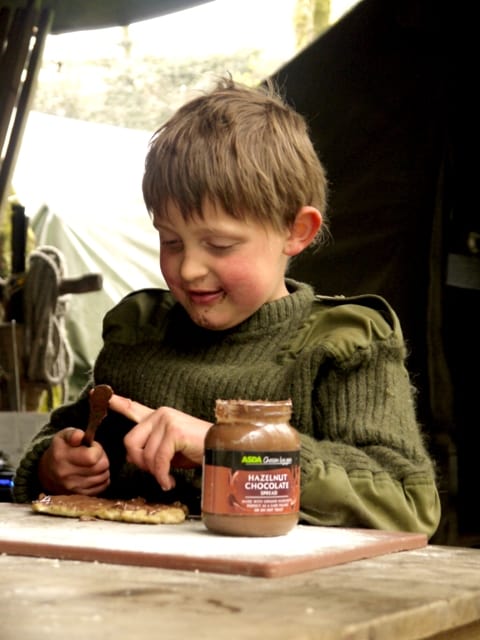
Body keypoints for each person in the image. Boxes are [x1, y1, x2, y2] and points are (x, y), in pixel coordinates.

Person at [13, 76, 441, 538]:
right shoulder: (139, 337)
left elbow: (407, 501)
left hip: (284, 604)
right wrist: (57, 466)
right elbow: (64, 440)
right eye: (170, 240)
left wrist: (229, 447)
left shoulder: (342, 347)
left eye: (219, 244)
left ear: (297, 230)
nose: (190, 268)